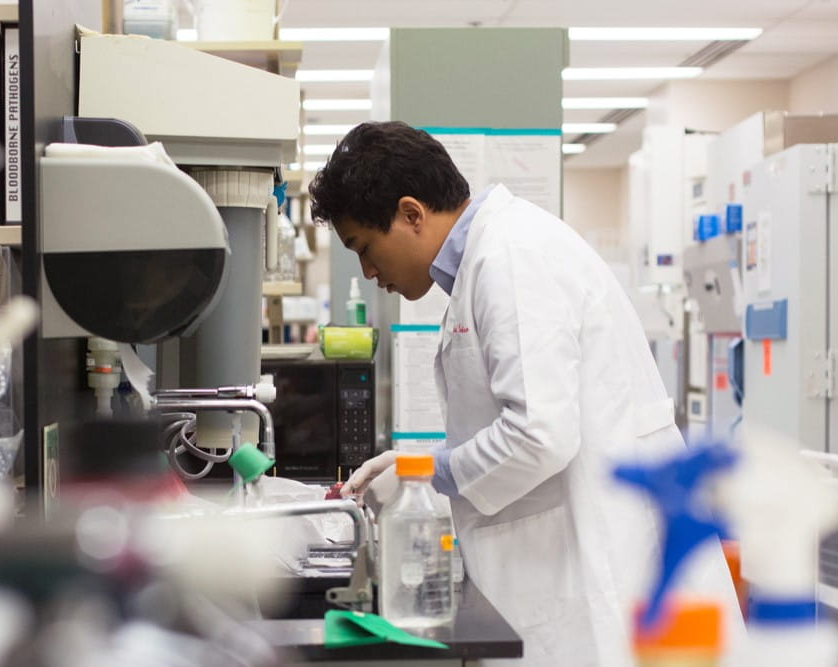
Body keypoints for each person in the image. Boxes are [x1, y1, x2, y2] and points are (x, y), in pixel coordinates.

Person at [309, 121, 741, 665]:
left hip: (592, 571)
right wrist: (417, 466)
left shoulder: (510, 258)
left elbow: (539, 435)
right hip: (571, 561)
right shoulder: (493, 257)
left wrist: (431, 472)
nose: (369, 271)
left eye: (365, 248)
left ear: (411, 213)